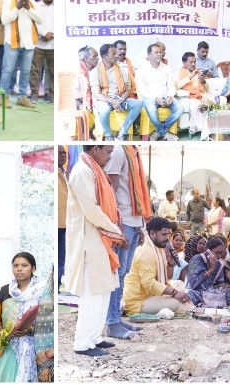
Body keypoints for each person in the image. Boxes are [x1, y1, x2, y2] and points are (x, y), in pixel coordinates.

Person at [65, 145, 124, 356]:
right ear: (96, 149)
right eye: (108, 152)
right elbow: (91, 209)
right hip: (89, 239)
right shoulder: (82, 171)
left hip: (101, 238)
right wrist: (115, 231)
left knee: (104, 290)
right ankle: (82, 343)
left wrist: (112, 230)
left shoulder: (94, 170)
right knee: (92, 293)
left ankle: (94, 337)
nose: (110, 156)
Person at [104, 144, 152, 338]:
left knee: (123, 273)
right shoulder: (118, 151)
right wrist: (118, 226)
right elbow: (111, 191)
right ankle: (111, 322)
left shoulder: (134, 152)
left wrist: (141, 226)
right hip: (123, 223)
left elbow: (137, 193)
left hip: (134, 223)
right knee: (117, 273)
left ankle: (116, 318)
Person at [123, 217, 194, 314]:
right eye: (164, 234)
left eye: (169, 234)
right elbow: (149, 283)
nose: (167, 238)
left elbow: (166, 278)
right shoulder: (146, 251)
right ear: (152, 233)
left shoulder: (159, 249)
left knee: (182, 291)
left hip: (152, 296)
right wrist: (174, 293)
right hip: (138, 302)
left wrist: (170, 263)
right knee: (177, 304)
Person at [0, 252, 46, 383]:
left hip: (32, 347)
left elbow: (46, 322)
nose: (19, 269)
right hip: (8, 346)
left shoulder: (41, 290)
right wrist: (2, 335)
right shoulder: (5, 290)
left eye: (24, 265)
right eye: (15, 265)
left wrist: (29, 329)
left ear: (33, 268)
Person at [1, 0, 43, 108]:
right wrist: (17, 7)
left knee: (25, 71)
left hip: (28, 43)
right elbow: (4, 20)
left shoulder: (32, 3)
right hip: (11, 43)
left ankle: (22, 97)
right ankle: (4, 96)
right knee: (8, 70)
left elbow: (40, 20)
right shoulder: (7, 3)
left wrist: (28, 8)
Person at [90, 43, 142, 141]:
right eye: (113, 54)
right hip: (104, 100)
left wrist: (120, 100)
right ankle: (108, 134)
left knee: (138, 104)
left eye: (115, 53)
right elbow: (97, 95)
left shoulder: (121, 69)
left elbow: (127, 90)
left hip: (119, 99)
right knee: (104, 111)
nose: (116, 55)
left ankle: (122, 132)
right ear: (104, 56)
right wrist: (113, 101)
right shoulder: (95, 72)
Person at [136, 43, 183, 141]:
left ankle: (159, 131)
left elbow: (171, 85)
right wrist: (156, 99)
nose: (159, 54)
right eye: (156, 52)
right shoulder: (142, 69)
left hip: (165, 96)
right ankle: (164, 133)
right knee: (152, 110)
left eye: (160, 52)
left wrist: (170, 96)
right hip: (149, 98)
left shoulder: (167, 68)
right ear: (149, 55)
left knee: (180, 108)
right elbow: (142, 89)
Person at [186, 236, 230, 307]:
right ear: (208, 251)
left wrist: (228, 286)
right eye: (217, 252)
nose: (219, 256)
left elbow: (220, 284)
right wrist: (211, 269)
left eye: (220, 253)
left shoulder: (218, 263)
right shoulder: (197, 259)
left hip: (210, 293)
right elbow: (192, 284)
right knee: (191, 295)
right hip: (196, 292)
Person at [29, 0, 55, 103]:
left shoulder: (59, 6)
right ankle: (34, 95)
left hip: (54, 44)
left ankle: (51, 96)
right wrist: (44, 34)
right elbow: (34, 23)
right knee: (35, 70)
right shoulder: (36, 6)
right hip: (38, 44)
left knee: (53, 71)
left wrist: (52, 35)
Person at [178, 51, 212, 135]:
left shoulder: (198, 72)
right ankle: (203, 129)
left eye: (194, 62)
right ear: (184, 63)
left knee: (221, 100)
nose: (193, 64)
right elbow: (176, 86)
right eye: (191, 62)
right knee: (196, 105)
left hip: (202, 95)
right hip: (190, 97)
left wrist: (203, 81)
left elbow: (207, 89)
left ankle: (213, 126)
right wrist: (190, 77)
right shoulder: (179, 73)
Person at [32, 268, 55, 382]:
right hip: (48, 361)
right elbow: (42, 330)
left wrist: (50, 353)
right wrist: (45, 363)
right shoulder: (46, 298)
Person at [58, 146, 69, 287]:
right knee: (58, 255)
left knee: (62, 256)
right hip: (58, 221)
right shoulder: (57, 173)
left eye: (64, 153)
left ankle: (58, 285)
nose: (62, 156)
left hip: (67, 222)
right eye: (59, 153)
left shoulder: (66, 173)